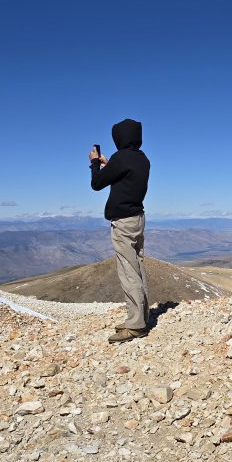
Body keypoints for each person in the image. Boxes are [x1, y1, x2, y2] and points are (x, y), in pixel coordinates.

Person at [89, 118, 151, 344]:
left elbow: (97, 184)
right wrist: (108, 164)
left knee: (128, 271)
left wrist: (95, 163)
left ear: (119, 138)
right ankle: (142, 317)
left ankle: (135, 325)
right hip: (138, 218)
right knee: (137, 267)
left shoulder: (120, 158)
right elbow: (123, 175)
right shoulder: (142, 159)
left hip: (123, 222)